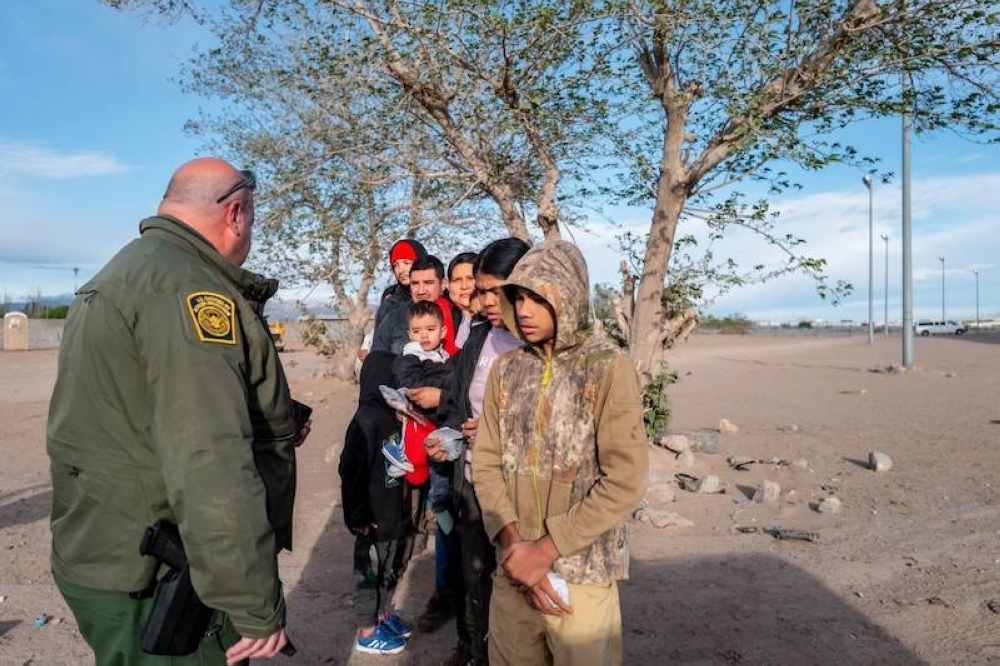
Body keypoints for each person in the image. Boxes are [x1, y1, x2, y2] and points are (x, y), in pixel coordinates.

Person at [46, 158, 307, 665]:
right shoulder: (192, 292)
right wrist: (252, 604)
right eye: (251, 218)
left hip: (105, 549)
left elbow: (134, 407)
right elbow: (210, 461)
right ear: (235, 212)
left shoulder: (131, 269)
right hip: (159, 577)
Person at [472, 239, 648, 666]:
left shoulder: (608, 367)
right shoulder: (507, 369)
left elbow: (624, 480)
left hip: (583, 574)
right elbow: (486, 463)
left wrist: (545, 551)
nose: (525, 310)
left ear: (567, 295)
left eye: (538, 297)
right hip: (512, 572)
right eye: (518, 297)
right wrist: (518, 552)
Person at [429, 237, 530, 666]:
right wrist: (449, 436)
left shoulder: (540, 343)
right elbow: (455, 406)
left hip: (522, 492)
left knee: (516, 580)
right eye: (481, 290)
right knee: (475, 575)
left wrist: (497, 431)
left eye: (494, 289)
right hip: (472, 485)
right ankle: (472, 647)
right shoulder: (480, 339)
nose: (483, 300)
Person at [340, 351, 419, 656]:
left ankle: (382, 616)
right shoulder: (365, 422)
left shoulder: (389, 417)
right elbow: (350, 472)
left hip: (388, 515)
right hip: (369, 519)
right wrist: (357, 516)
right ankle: (366, 631)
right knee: (368, 573)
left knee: (386, 569)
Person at [382, 301, 456, 514]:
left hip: (440, 423)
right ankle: (440, 515)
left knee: (442, 475)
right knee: (437, 480)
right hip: (423, 426)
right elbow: (416, 386)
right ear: (409, 333)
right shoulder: (410, 358)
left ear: (443, 331)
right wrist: (445, 388)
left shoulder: (443, 357)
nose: (424, 335)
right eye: (417, 331)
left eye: (430, 329)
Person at [358, 239, 428, 367]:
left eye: (406, 263)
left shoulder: (439, 297)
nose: (400, 270)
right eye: (395, 265)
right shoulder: (390, 302)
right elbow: (379, 347)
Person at [371, 255, 458, 356]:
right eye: (415, 283)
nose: (421, 291)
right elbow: (376, 361)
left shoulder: (458, 317)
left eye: (428, 283)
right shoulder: (394, 318)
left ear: (443, 284)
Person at [447, 252, 478, 348]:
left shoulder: (495, 324)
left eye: (470, 278)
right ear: (448, 285)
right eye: (457, 280)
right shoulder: (440, 320)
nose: (464, 286)